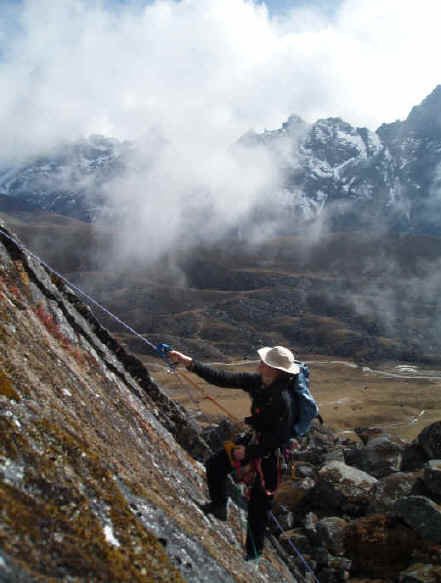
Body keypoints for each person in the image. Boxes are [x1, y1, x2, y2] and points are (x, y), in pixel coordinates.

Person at [169, 345, 299, 561]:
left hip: (271, 455)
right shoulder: (259, 382)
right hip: (255, 440)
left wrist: (248, 452)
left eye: (264, 362)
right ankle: (219, 506)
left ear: (275, 370)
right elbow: (224, 378)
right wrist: (188, 362)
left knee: (258, 507)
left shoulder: (283, 399)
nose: (260, 363)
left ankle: (253, 556)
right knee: (215, 465)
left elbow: (279, 439)